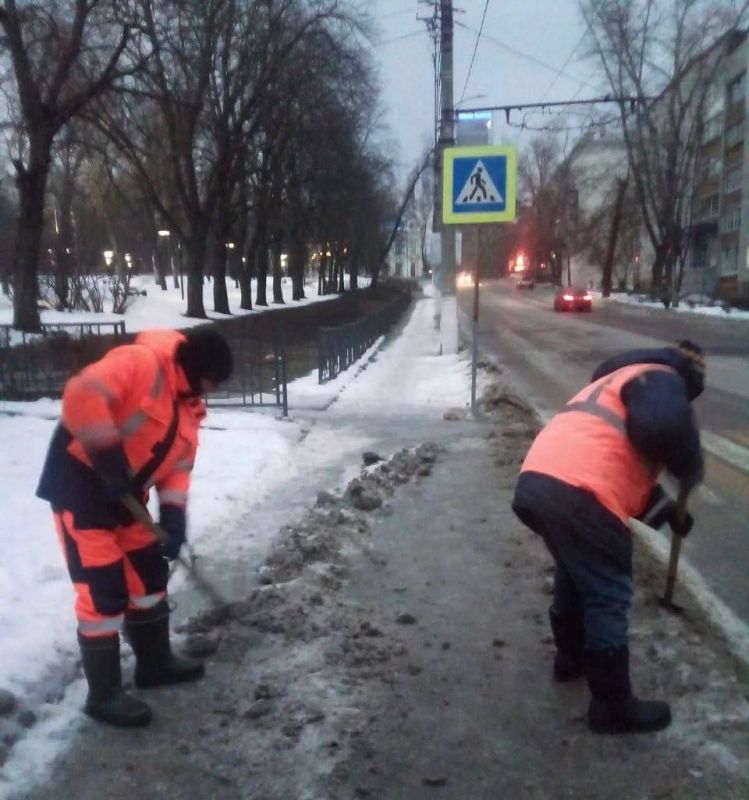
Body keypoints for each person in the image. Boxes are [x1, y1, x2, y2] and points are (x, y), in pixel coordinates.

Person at [37, 327, 233, 728]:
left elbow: (178, 466)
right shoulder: (141, 363)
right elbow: (82, 393)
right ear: (198, 369)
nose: (211, 391)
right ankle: (104, 694)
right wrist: (107, 457)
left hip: (127, 496)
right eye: (212, 381)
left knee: (147, 575)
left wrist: (174, 515)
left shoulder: (190, 407)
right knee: (102, 590)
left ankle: (154, 664)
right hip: (81, 487)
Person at [512, 340, 705, 734]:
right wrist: (689, 463)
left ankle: (570, 659)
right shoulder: (663, 376)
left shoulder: (621, 378)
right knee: (607, 593)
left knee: (575, 572)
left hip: (541, 481)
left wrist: (668, 512)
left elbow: (616, 457)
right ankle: (612, 705)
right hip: (582, 492)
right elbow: (662, 427)